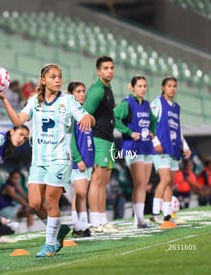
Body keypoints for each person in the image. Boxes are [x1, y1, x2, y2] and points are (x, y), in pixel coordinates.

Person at [0, 63, 94, 257]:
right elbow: (18, 121)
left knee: (51, 200)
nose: (58, 80)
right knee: (35, 203)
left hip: (60, 159)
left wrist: (88, 118)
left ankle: (50, 245)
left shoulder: (68, 100)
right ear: (43, 80)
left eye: (60, 76)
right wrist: (4, 99)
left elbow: (87, 118)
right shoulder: (34, 100)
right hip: (38, 161)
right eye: (53, 76)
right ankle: (59, 230)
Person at [114, 75, 157, 228]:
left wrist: (152, 131)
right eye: (139, 86)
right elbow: (115, 117)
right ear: (132, 87)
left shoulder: (146, 104)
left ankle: (138, 218)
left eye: (145, 86)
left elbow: (153, 120)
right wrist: (129, 132)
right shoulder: (127, 103)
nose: (143, 89)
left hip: (146, 146)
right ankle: (139, 219)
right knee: (139, 182)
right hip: (132, 147)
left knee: (144, 183)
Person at [150, 76, 191, 228]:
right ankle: (154, 213)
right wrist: (155, 142)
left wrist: (184, 146)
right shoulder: (157, 103)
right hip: (160, 149)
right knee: (165, 179)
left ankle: (167, 215)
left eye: (174, 86)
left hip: (173, 149)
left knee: (170, 183)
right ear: (163, 88)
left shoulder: (176, 107)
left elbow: (178, 130)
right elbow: (150, 123)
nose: (172, 88)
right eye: (169, 86)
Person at [84, 56, 118, 233]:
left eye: (111, 67)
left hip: (109, 139)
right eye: (105, 68)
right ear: (98, 71)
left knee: (104, 180)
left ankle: (103, 220)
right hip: (98, 138)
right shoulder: (97, 90)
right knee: (97, 180)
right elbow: (84, 115)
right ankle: (95, 223)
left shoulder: (108, 88)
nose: (109, 71)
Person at [67, 81, 94, 237]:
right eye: (78, 91)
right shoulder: (72, 114)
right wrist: (78, 158)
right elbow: (71, 140)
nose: (82, 94)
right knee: (79, 193)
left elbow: (88, 137)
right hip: (78, 160)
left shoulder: (84, 113)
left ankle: (83, 226)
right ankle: (77, 226)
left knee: (82, 195)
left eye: (83, 91)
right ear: (71, 95)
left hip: (87, 158)